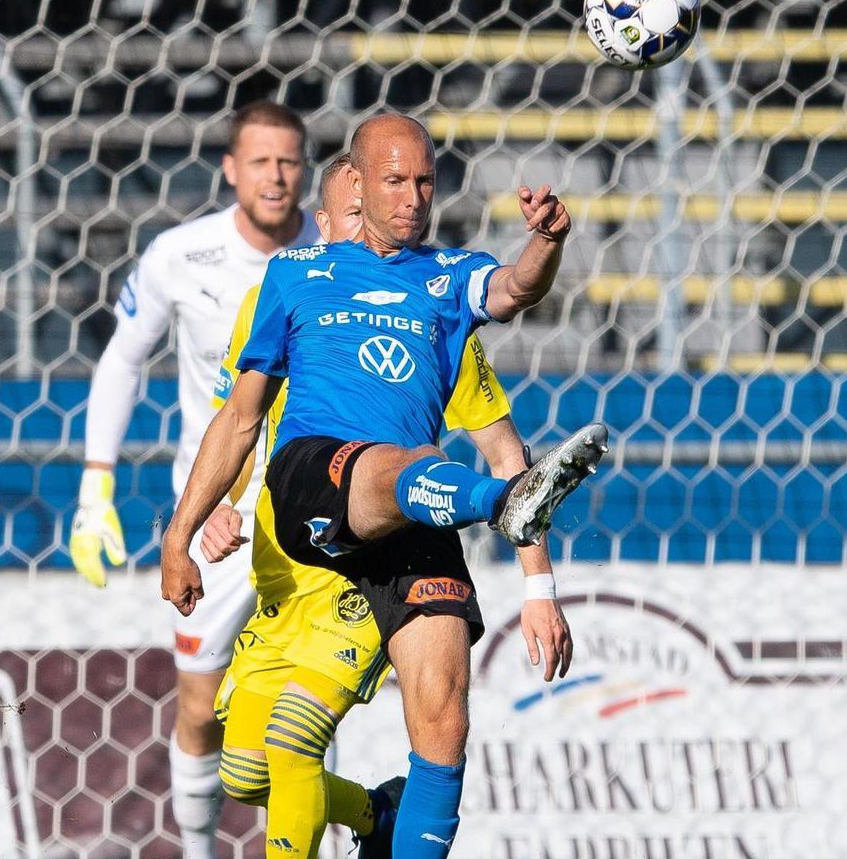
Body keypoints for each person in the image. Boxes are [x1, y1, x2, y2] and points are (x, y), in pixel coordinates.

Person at [160, 113, 604, 858]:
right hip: (314, 487)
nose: (414, 198)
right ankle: (502, 510)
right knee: (250, 763)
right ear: (357, 189)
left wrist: (547, 242)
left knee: (444, 724)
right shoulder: (295, 277)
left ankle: (384, 821)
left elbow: (514, 295)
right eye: (396, 181)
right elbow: (238, 420)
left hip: (416, 516)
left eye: (425, 181)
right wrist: (182, 535)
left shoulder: (446, 285)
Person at [69, 101, 318, 858]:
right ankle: (200, 850)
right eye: (261, 161)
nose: (276, 177)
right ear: (230, 170)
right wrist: (94, 490)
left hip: (311, 511)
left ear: (305, 169)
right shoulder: (181, 256)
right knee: (202, 707)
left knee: (311, 705)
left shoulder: (335, 253)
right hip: (211, 517)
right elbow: (122, 359)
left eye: (289, 161)